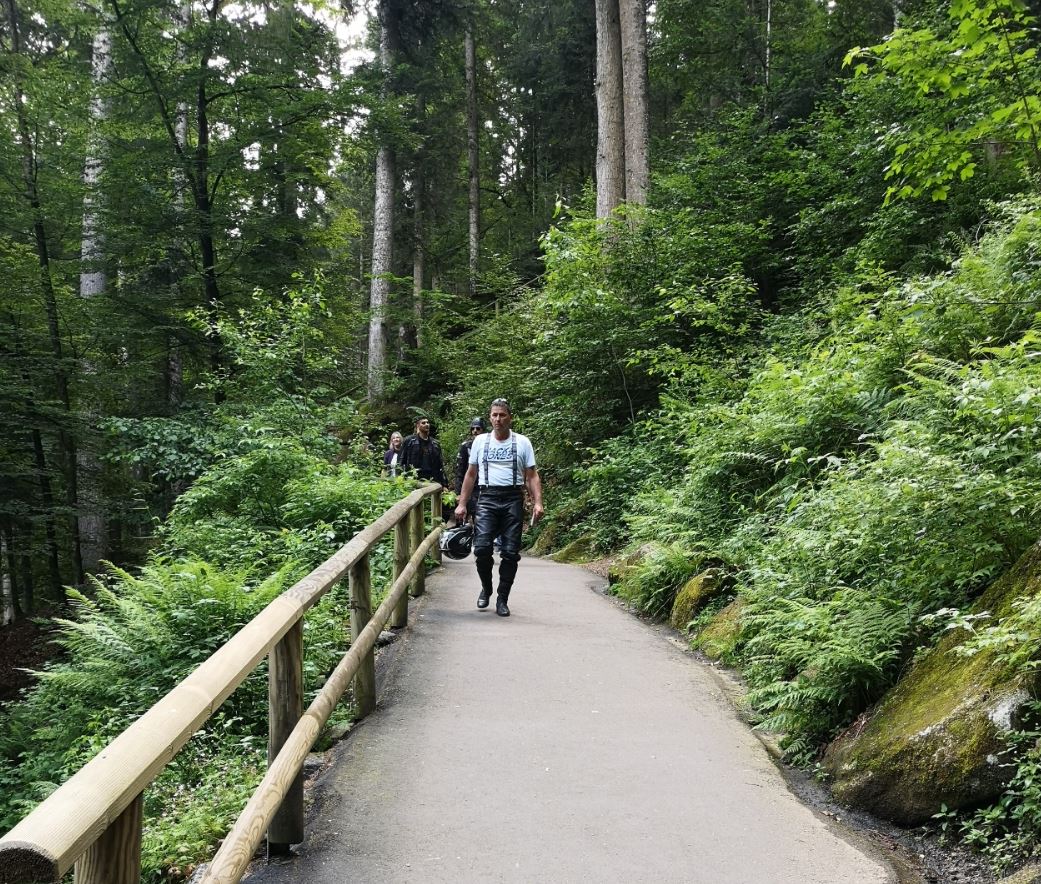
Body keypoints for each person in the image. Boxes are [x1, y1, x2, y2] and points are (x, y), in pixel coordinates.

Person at [454, 398, 544, 617]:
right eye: (494, 415)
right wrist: (462, 503)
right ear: (490, 417)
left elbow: (532, 475)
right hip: (487, 497)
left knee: (510, 553)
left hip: (513, 498)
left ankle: (502, 599)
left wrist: (538, 502)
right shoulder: (480, 442)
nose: (498, 419)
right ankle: (486, 588)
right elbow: (471, 474)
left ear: (509, 417)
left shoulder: (522, 442)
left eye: (502, 415)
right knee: (482, 548)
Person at [453, 417, 486, 523]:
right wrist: (458, 492)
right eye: (473, 428)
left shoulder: (489, 445)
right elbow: (460, 470)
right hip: (470, 487)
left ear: (483, 430)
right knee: (465, 518)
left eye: (478, 428)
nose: (475, 431)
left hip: (485, 487)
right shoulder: (466, 446)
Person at [399, 417, 448, 486]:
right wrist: (403, 479)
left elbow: (440, 465)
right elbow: (401, 461)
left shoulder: (435, 444)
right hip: (414, 479)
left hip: (432, 479)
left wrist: (444, 484)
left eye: (427, 422)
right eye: (423, 423)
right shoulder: (409, 441)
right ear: (418, 425)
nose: (426, 424)